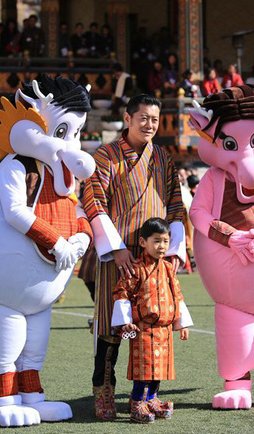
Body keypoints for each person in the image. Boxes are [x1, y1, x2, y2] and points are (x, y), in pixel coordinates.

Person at [82, 94, 186, 421]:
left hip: (154, 260)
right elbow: (94, 202)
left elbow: (175, 205)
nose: (149, 125)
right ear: (127, 119)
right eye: (143, 118)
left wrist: (174, 251)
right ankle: (104, 391)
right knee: (114, 329)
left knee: (152, 327)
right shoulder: (106, 155)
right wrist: (116, 248)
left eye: (154, 119)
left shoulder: (163, 157)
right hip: (120, 256)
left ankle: (147, 396)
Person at [111, 218, 192, 423]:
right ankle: (137, 402)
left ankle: (152, 399)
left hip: (164, 330)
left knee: (160, 370)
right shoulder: (136, 269)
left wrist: (181, 323)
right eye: (156, 241)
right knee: (145, 370)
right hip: (143, 329)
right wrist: (124, 322)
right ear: (142, 242)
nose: (161, 246)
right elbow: (122, 293)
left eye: (165, 241)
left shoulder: (168, 269)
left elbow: (177, 294)